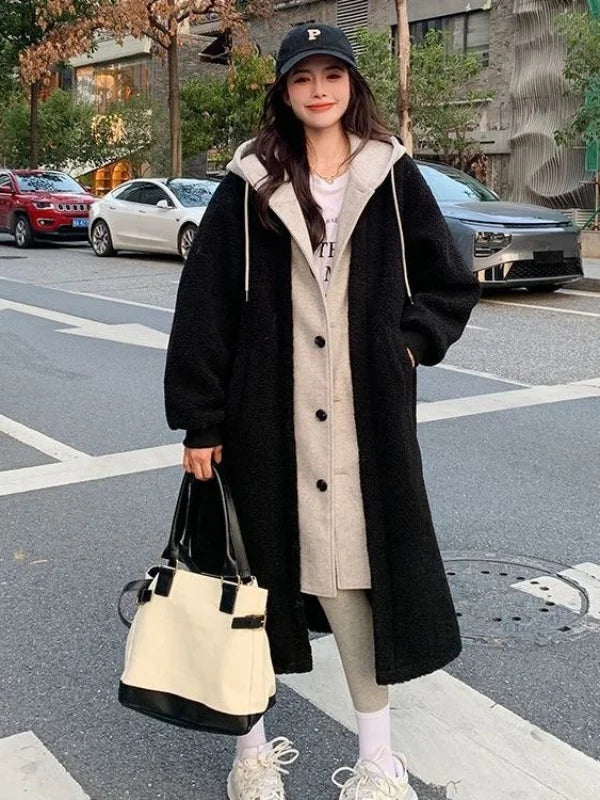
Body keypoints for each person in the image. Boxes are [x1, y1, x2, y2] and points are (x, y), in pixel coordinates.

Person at [164, 22, 480, 800]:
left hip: (363, 418)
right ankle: (251, 755)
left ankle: (378, 761)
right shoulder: (248, 182)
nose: (318, 90)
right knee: (248, 583)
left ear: (351, 85)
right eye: (301, 78)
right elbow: (205, 307)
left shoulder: (390, 174)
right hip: (263, 419)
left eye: (331, 75)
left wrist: (409, 347)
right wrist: (201, 419)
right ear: (283, 90)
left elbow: (448, 278)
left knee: (355, 580)